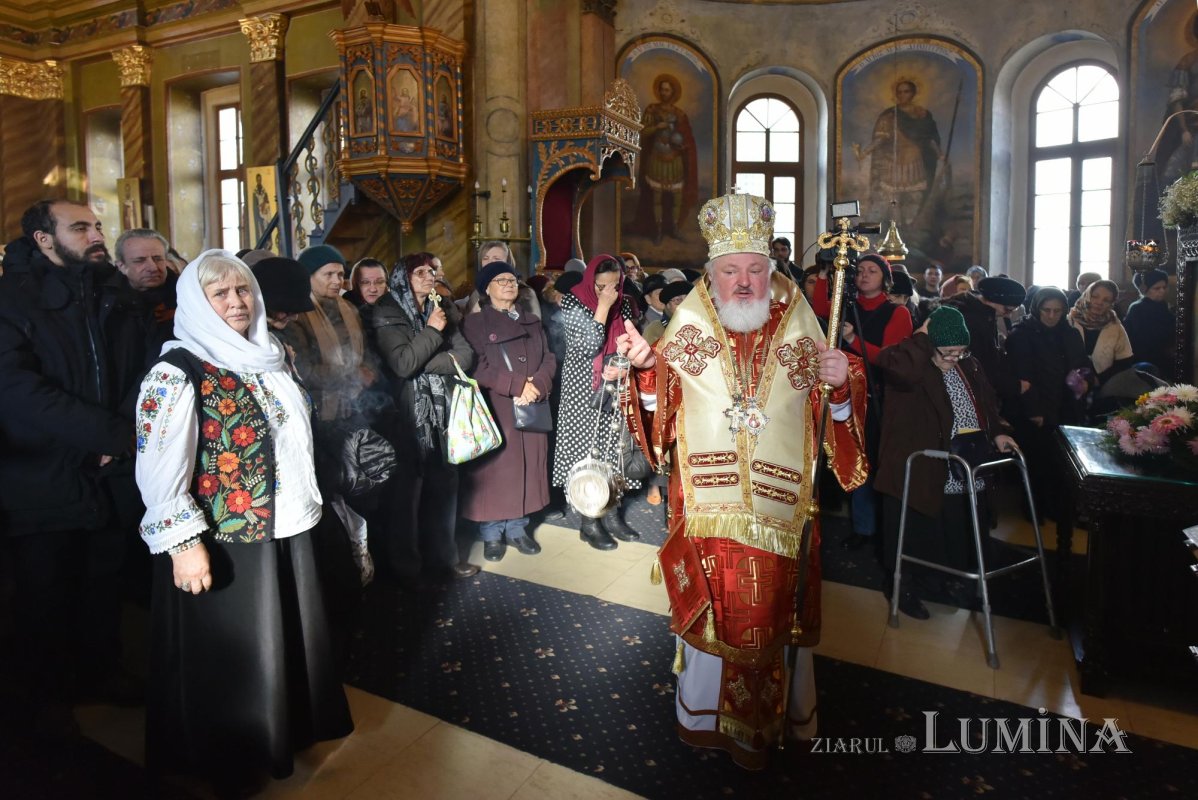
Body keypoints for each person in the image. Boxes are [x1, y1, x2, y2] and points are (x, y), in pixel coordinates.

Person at [617, 191, 867, 769]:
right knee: (717, 605)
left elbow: (833, 411)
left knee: (777, 612)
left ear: (771, 269)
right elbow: (664, 413)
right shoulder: (691, 322)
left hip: (782, 512)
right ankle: (704, 715)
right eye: (732, 271)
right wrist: (649, 372)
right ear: (713, 272)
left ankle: (778, 718)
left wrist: (837, 385)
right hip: (709, 508)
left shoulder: (800, 318)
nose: (745, 282)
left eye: (756, 268)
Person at [133, 250, 352, 786]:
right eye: (221, 294)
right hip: (228, 539)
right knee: (234, 658)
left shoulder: (270, 353)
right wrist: (184, 545)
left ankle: (284, 731)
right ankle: (231, 757)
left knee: (282, 641)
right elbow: (159, 465)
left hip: (284, 525)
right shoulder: (177, 370)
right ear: (197, 303)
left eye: (243, 290)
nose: (237, 302)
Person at [0, 200, 141, 735]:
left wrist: (124, 431)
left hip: (106, 470)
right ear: (43, 239)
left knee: (102, 582)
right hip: (42, 474)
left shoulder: (110, 291)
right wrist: (104, 434)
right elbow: (17, 390)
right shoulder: (12, 299)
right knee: (45, 592)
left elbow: (143, 368)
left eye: (97, 225)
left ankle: (102, 671)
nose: (96, 234)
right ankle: (48, 695)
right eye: (80, 227)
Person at [874, 306, 1016, 619]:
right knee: (912, 530)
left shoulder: (970, 365)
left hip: (962, 464)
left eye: (961, 352)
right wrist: (922, 340)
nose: (955, 358)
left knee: (949, 527)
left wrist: (998, 433)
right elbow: (896, 367)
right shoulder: (911, 362)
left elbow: (986, 403)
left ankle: (939, 579)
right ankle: (902, 586)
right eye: (948, 351)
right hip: (919, 464)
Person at [363, 252, 479, 587]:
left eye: (432, 270)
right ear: (403, 276)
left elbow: (465, 355)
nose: (429, 276)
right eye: (420, 272)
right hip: (405, 414)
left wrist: (426, 355)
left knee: (446, 484)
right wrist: (431, 333)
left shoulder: (439, 304)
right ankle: (407, 568)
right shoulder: (387, 309)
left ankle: (444, 558)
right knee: (407, 492)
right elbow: (401, 365)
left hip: (444, 410)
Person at [811, 253, 912, 552]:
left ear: (885, 278)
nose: (865, 276)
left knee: (876, 461)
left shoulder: (897, 313)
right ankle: (863, 526)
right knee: (854, 457)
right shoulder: (846, 307)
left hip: (880, 397)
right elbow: (820, 309)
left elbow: (891, 359)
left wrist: (854, 339)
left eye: (873, 271)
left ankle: (883, 527)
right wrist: (822, 274)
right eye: (861, 271)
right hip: (846, 396)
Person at [460, 260, 556, 561]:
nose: (509, 283)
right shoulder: (476, 323)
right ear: (486, 290)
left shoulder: (532, 320)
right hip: (498, 407)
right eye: (500, 280)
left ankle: (517, 529)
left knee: (526, 468)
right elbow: (476, 367)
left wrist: (538, 384)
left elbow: (549, 358)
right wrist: (517, 386)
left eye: (512, 279)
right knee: (496, 471)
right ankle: (491, 534)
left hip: (531, 404)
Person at [551, 253, 643, 550]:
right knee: (586, 452)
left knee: (614, 450)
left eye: (615, 284)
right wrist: (602, 307)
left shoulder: (626, 303)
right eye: (602, 286)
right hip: (583, 389)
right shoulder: (573, 301)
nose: (610, 291)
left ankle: (613, 513)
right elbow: (588, 345)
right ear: (591, 282)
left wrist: (622, 363)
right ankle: (588, 521)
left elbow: (632, 344)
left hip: (615, 385)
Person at [1005, 287, 1089, 519]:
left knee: (1063, 465)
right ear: (1037, 308)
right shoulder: (1021, 334)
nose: (1052, 316)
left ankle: (1061, 511)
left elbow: (1083, 364)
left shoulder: (1070, 334)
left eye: (1057, 311)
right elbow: (1021, 375)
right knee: (1038, 464)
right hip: (1036, 408)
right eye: (1047, 310)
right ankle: (1035, 510)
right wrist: (1034, 410)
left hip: (1066, 407)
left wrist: (1084, 381)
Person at [281, 244, 377, 421]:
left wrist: (369, 370)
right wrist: (352, 374)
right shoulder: (297, 314)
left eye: (340, 274)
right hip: (320, 408)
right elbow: (304, 370)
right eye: (328, 274)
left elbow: (366, 349)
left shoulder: (349, 308)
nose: (337, 281)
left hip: (357, 401)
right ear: (308, 276)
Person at [854, 78, 944, 235]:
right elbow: (880, 139)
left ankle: (908, 228)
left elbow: (930, 138)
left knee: (913, 196)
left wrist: (940, 154)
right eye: (899, 92)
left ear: (913, 93)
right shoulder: (889, 115)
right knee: (892, 197)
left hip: (914, 160)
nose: (902, 95)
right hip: (893, 162)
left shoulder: (922, 114)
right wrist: (865, 152)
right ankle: (893, 230)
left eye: (906, 91)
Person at [945, 275, 1026, 418]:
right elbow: (980, 365)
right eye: (1006, 309)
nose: (1007, 314)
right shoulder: (972, 320)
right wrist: (1013, 386)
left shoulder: (984, 313)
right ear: (990, 300)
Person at [636, 73, 698, 243]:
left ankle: (675, 228)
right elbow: (643, 131)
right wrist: (657, 127)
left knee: (676, 198)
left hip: (675, 160)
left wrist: (681, 144)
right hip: (656, 158)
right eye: (662, 90)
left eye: (667, 90)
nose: (664, 93)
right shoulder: (651, 110)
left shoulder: (680, 114)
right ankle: (657, 230)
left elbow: (686, 139)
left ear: (673, 92)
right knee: (657, 197)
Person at [1067, 279, 1135, 385]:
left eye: (1106, 300)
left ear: (1111, 303)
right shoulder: (1069, 321)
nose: (1099, 302)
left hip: (1105, 384)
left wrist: (1098, 380)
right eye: (1095, 296)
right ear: (1087, 295)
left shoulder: (1115, 326)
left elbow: (1125, 361)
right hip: (1070, 383)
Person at [1123, 269, 1175, 379]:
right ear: (1144, 290)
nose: (1162, 291)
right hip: (1145, 357)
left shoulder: (1163, 305)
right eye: (1156, 288)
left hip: (1164, 353)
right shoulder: (1137, 308)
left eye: (1164, 287)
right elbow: (1138, 338)